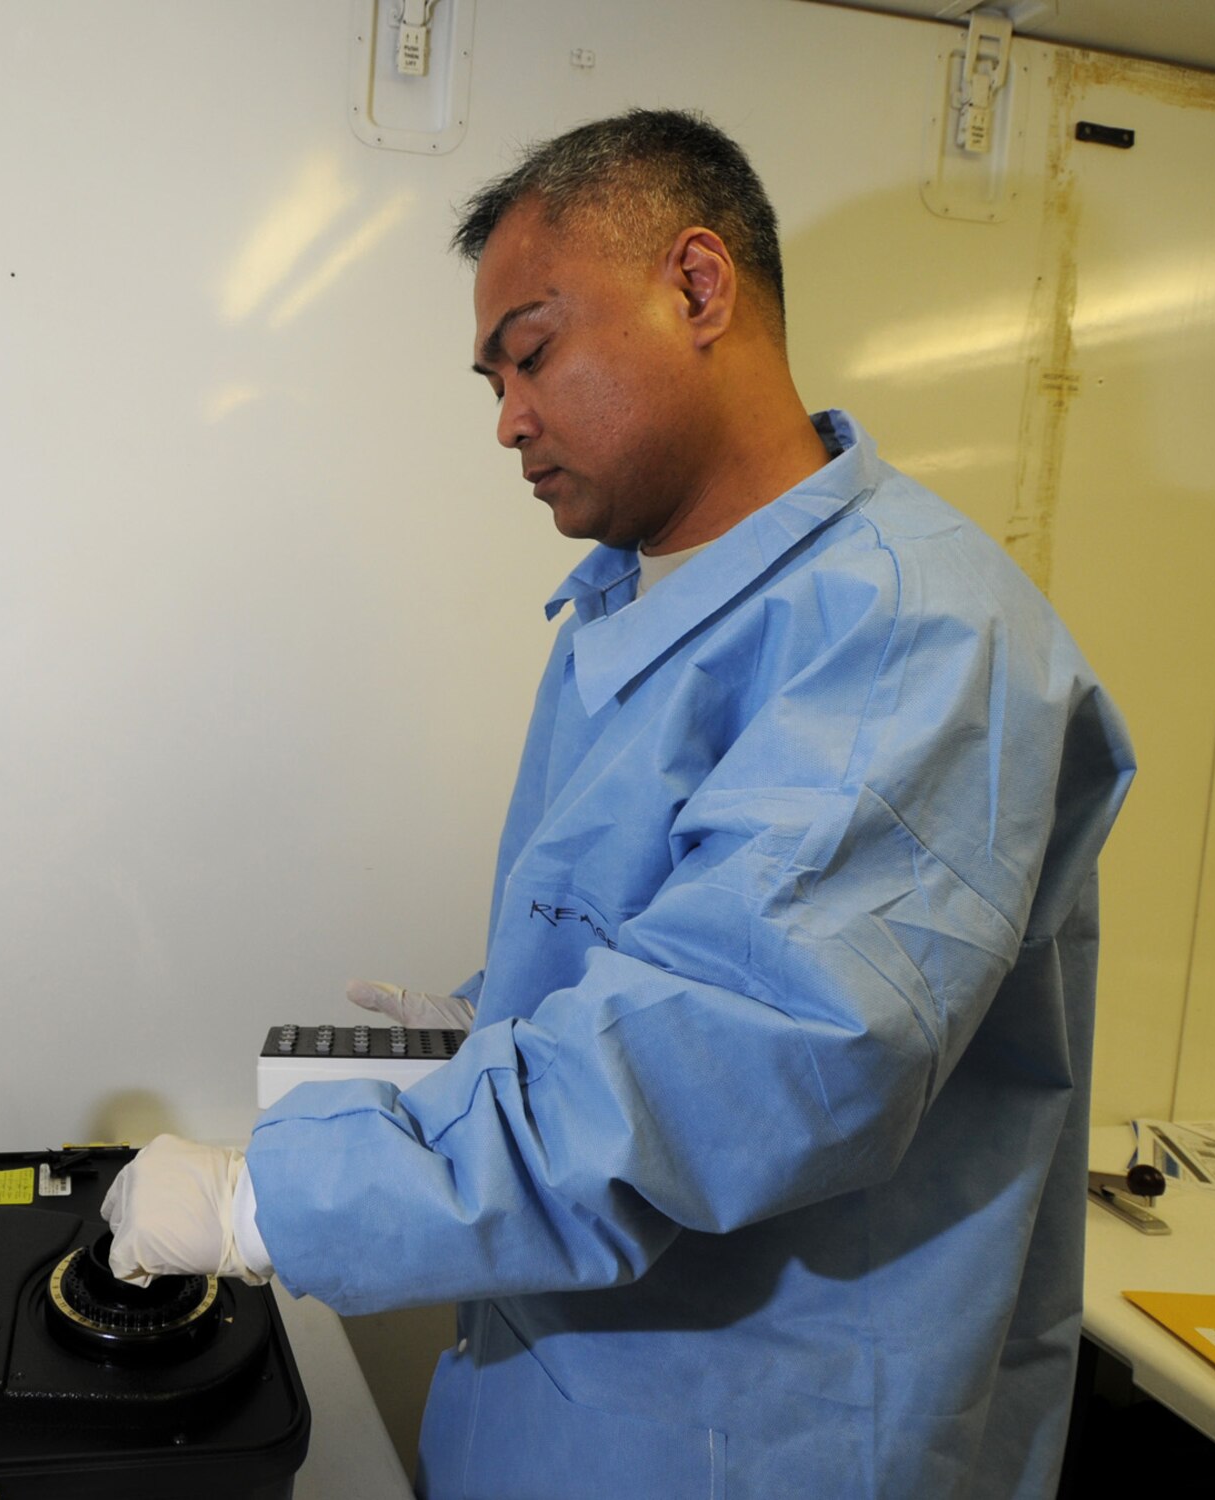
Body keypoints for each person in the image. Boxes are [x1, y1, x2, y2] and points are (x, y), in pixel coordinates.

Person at [101, 109, 1134, 1498]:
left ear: (698, 286)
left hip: (764, 1437)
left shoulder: (908, 636)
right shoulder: (630, 610)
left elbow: (721, 1070)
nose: (511, 419)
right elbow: (660, 962)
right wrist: (490, 1022)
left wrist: (265, 1201)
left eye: (530, 354)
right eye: (491, 383)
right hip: (571, 1404)